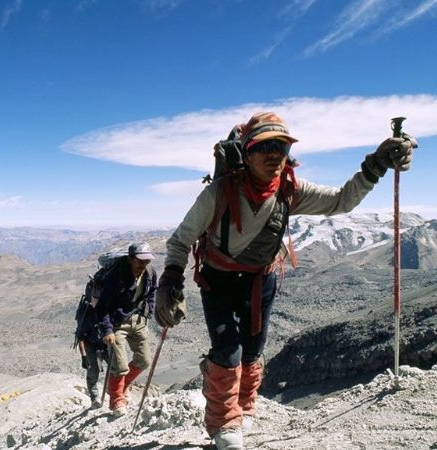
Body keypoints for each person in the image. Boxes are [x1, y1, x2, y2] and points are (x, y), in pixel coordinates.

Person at [154, 112, 416, 449]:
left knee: (253, 348)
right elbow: (180, 240)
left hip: (261, 279)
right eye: (265, 146)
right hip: (219, 280)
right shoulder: (219, 193)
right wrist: (171, 277)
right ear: (246, 153)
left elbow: (341, 201)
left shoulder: (290, 189)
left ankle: (244, 407)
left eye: (281, 146)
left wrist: (375, 166)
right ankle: (224, 424)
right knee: (227, 350)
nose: (274, 154)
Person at [96, 242, 158, 417]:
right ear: (130, 259)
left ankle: (123, 386)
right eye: (140, 261)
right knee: (120, 365)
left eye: (147, 261)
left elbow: (152, 291)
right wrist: (107, 330)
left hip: (138, 320)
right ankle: (116, 399)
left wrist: (149, 312)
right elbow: (102, 307)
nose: (143, 265)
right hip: (117, 324)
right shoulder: (116, 277)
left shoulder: (150, 272)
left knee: (144, 360)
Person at [76, 302, 108, 408]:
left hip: (107, 344)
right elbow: (80, 337)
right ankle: (95, 398)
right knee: (93, 372)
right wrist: (84, 357)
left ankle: (116, 393)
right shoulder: (86, 314)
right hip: (92, 347)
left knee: (117, 367)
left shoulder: (107, 307)